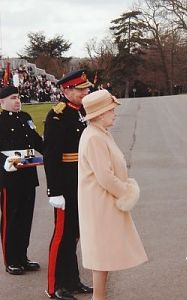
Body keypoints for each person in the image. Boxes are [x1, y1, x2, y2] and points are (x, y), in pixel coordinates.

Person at [78, 90, 148, 300]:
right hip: (100, 204)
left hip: (103, 202)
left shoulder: (100, 133)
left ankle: (100, 297)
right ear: (99, 114)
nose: (114, 114)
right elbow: (105, 177)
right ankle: (98, 298)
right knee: (101, 255)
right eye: (111, 110)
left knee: (104, 253)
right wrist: (126, 192)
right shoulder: (94, 138)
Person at [43, 70, 93, 300]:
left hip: (81, 181)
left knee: (74, 234)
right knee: (61, 236)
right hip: (64, 183)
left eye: (86, 89)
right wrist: (54, 191)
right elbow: (51, 157)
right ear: (66, 91)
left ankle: (72, 281)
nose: (86, 92)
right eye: (81, 89)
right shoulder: (57, 116)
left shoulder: (82, 111)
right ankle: (54, 286)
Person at [0, 86, 43, 275]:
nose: (17, 101)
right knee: (11, 219)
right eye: (13, 98)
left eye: (18, 97)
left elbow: (35, 141)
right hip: (9, 178)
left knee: (26, 218)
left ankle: (22, 256)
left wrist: (53, 152)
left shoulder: (25, 117)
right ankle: (11, 260)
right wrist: (8, 161)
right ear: (2, 102)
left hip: (27, 175)